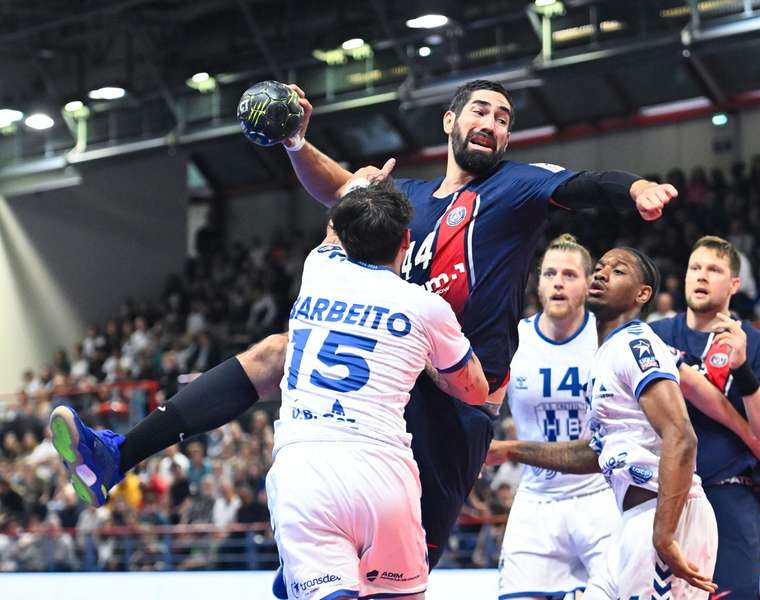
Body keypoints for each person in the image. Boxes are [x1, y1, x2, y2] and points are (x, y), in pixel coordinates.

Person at [48, 79, 676, 571]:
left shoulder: (515, 188)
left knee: (410, 566)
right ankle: (118, 454)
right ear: (450, 122)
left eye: (505, 119)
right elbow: (341, 190)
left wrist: (638, 187)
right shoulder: (409, 197)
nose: (493, 124)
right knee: (277, 349)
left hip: (461, 395)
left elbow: (591, 183)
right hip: (392, 376)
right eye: (481, 112)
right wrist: (295, 143)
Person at [57, 181, 490, 599]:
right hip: (382, 471)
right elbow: (474, 391)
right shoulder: (426, 306)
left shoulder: (319, 268)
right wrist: (425, 361)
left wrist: (359, 186)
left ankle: (119, 454)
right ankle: (117, 455)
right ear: (406, 241)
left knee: (273, 350)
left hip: (305, 467)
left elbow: (333, 230)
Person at [488, 248, 718, 599]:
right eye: (600, 268)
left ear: (642, 294)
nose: (602, 274)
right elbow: (594, 452)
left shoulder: (636, 344)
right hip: (634, 518)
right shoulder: (606, 352)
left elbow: (682, 436)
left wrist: (664, 534)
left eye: (618, 271)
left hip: (666, 514)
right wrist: (509, 450)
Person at [649, 235, 760, 599]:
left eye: (713, 270)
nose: (701, 276)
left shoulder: (756, 344)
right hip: (664, 496)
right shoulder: (655, 336)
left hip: (729, 497)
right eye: (695, 268)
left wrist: (742, 371)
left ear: (733, 285)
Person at [498, 234, 619, 600]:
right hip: (536, 497)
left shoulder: (608, 339)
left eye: (569, 275)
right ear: (538, 282)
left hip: (601, 498)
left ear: (587, 285)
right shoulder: (513, 338)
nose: (558, 283)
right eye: (550, 274)